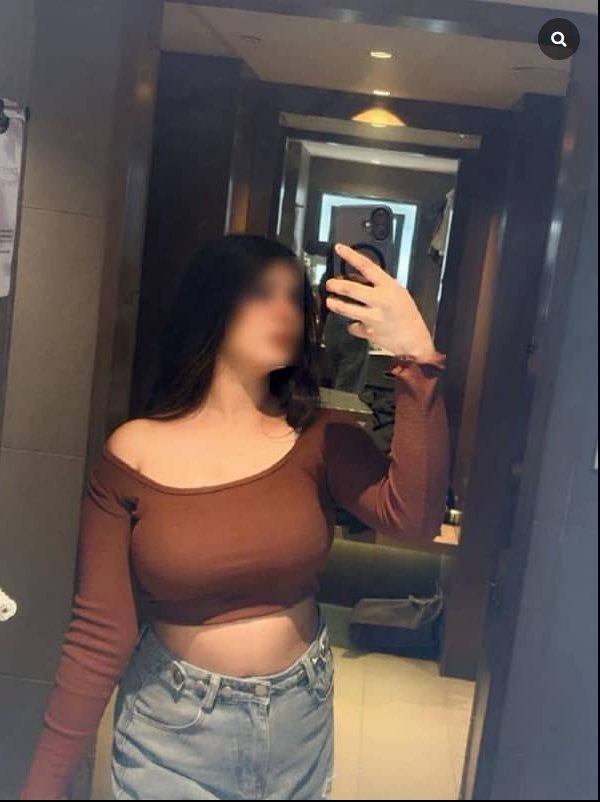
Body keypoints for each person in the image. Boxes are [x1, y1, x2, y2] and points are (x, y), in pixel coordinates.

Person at [20, 237, 449, 801]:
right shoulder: (133, 453)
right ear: (213, 305)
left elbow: (414, 520)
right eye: (262, 293)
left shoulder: (322, 435)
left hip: (298, 722)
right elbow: (100, 634)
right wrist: (42, 786)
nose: (284, 310)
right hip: (171, 731)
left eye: (294, 297)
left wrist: (417, 358)